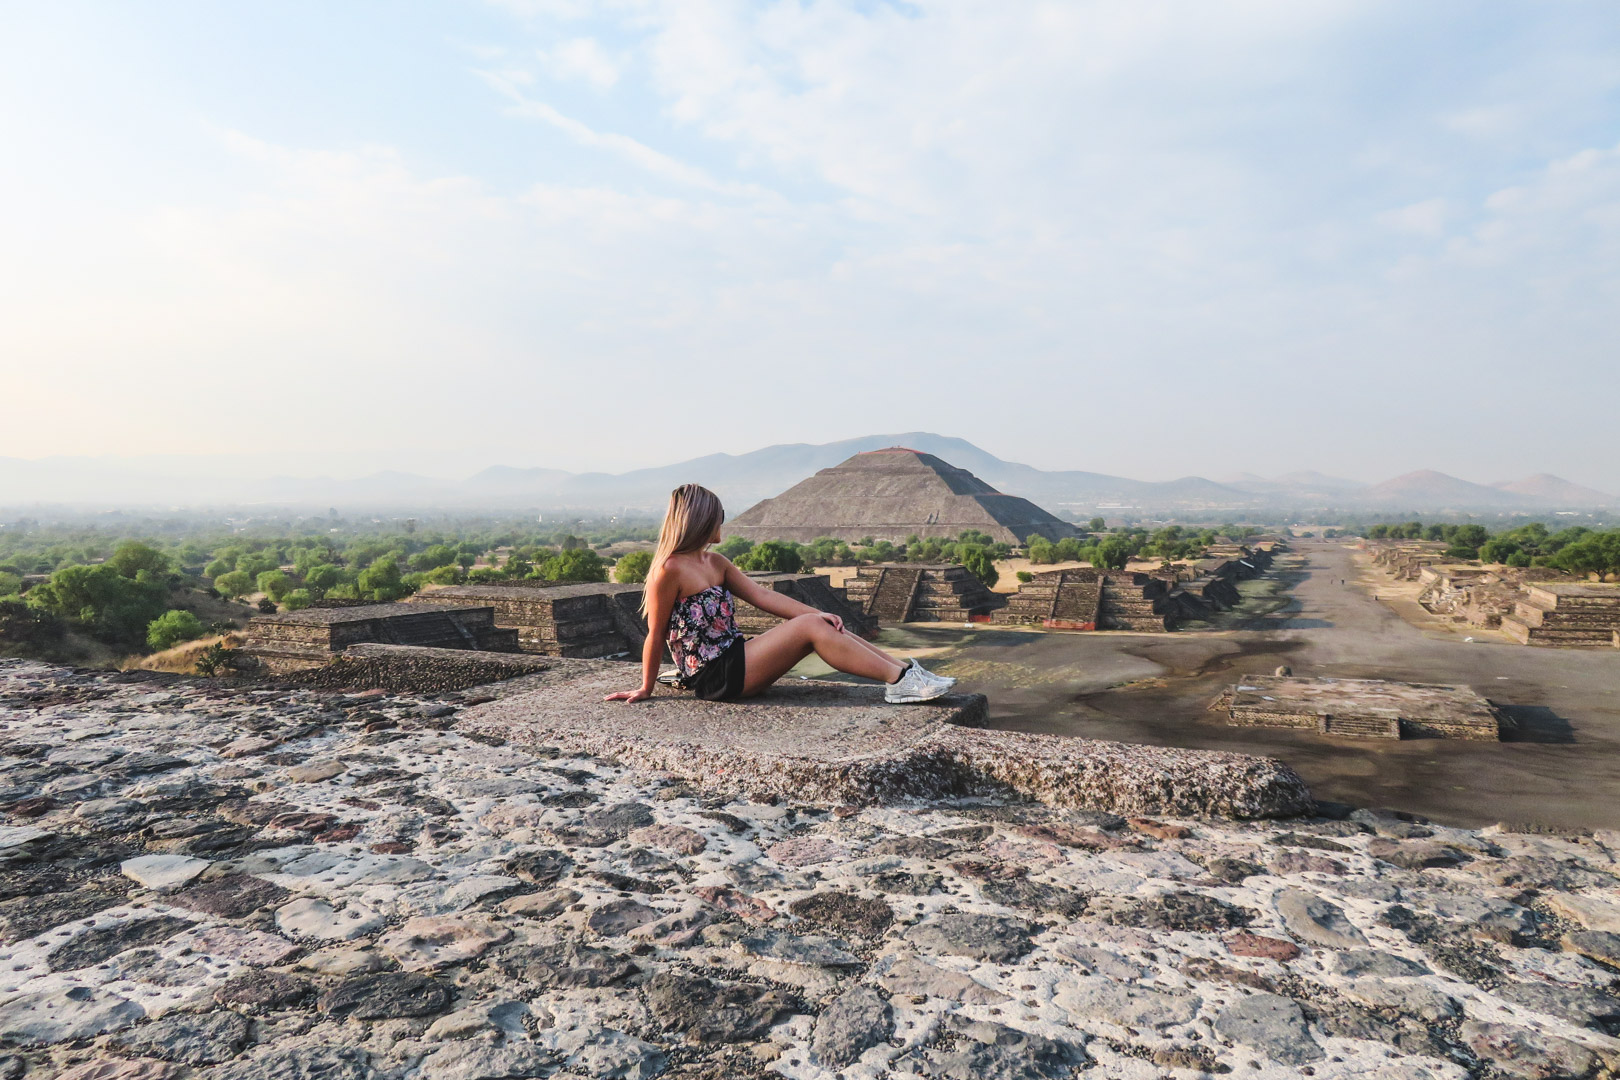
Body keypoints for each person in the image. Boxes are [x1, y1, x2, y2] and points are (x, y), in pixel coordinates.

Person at [605, 484, 956, 705]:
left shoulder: (715, 562)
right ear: (700, 520)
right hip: (717, 677)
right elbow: (656, 633)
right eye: (720, 516)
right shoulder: (669, 571)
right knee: (810, 626)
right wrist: (645, 687)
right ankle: (896, 682)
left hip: (738, 657)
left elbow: (765, 597)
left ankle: (905, 672)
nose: (723, 523)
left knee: (822, 623)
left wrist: (818, 614)